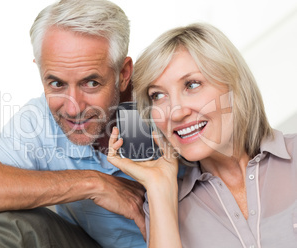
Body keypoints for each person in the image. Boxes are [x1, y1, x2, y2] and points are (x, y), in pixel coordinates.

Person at [0, 0, 148, 247]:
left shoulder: (166, 106)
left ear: (123, 74)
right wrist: (93, 183)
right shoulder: (39, 118)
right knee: (11, 221)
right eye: (57, 84)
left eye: (91, 83)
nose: (73, 108)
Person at [107, 23, 297, 248]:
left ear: (234, 86)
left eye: (192, 85)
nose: (175, 112)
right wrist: (159, 188)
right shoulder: (165, 207)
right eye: (157, 96)